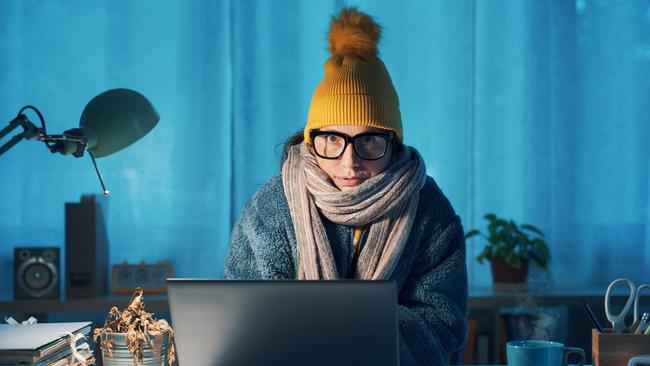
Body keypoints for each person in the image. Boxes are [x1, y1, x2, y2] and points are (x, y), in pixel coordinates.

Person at [223, 7, 468, 365]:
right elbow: (240, 313)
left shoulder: (430, 209)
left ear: (394, 143)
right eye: (332, 139)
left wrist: (339, 326)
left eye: (369, 141)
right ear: (311, 140)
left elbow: (443, 323)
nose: (349, 161)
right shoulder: (271, 207)